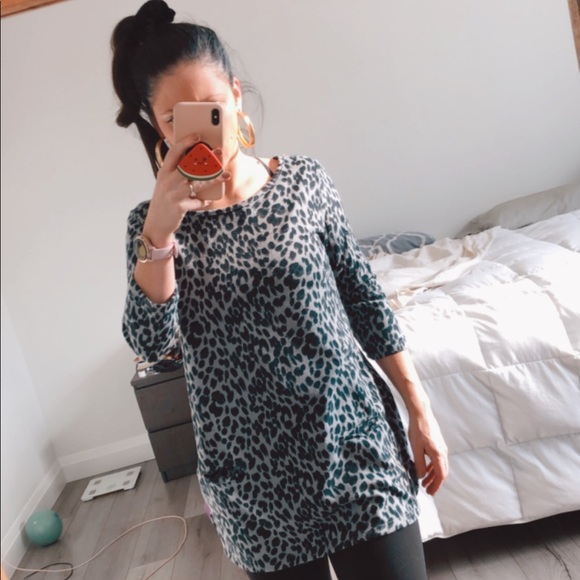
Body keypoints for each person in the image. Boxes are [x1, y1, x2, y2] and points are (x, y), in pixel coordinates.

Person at [112, 2, 448, 578]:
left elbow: (364, 300)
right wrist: (161, 233)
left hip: (354, 449)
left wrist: (421, 410)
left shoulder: (303, 181)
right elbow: (151, 342)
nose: (195, 132)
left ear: (235, 95)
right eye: (173, 119)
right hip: (253, 485)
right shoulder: (149, 227)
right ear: (158, 126)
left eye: (209, 108)